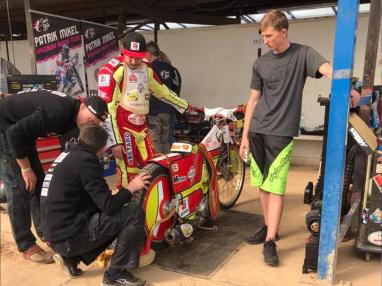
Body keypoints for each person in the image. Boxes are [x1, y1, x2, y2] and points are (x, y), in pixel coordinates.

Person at [239, 10, 335, 267]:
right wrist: (244, 136)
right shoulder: (260, 63)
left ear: (284, 31)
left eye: (269, 36)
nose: (266, 41)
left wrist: (350, 87)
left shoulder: (304, 54)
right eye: (263, 37)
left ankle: (270, 241)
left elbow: (329, 70)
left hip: (282, 132)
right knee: (262, 183)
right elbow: (253, 100)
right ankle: (269, 226)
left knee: (277, 185)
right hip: (258, 128)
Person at [0, 89, 108, 263]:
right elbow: (14, 133)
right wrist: (25, 168)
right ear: (82, 107)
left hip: (22, 133)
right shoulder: (58, 111)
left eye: (94, 124)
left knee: (38, 182)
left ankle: (46, 232)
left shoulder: (76, 121)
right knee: (20, 187)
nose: (90, 124)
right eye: (89, 120)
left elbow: (74, 153)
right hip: (6, 129)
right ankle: (26, 245)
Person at [41, 125, 150, 286]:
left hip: (56, 233)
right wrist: (132, 187)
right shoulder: (86, 161)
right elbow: (109, 207)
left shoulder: (69, 154)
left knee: (108, 217)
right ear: (102, 147)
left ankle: (71, 258)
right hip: (68, 238)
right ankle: (115, 275)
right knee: (133, 214)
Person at [98, 32, 189, 189]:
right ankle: (127, 209)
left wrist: (186, 106)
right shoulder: (112, 70)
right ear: (122, 51)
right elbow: (107, 110)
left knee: (153, 167)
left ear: (144, 54)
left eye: (138, 57)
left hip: (143, 127)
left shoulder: (147, 69)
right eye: (130, 56)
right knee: (128, 172)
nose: (134, 61)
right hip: (123, 130)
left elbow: (163, 92)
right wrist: (114, 142)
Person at [145, 41, 178, 154]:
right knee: (166, 140)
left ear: (149, 54)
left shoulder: (149, 67)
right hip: (168, 109)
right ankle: (168, 165)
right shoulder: (169, 68)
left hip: (154, 110)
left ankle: (159, 168)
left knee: (155, 141)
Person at [157, 50, 182, 146]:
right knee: (168, 137)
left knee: (160, 139)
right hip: (172, 107)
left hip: (159, 109)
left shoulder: (157, 70)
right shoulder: (174, 70)